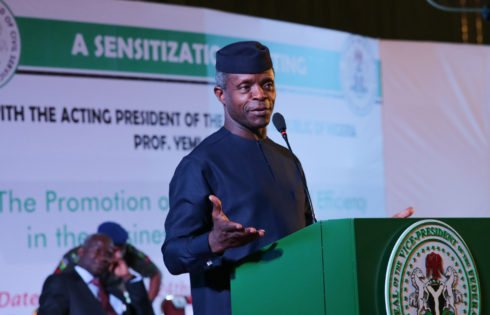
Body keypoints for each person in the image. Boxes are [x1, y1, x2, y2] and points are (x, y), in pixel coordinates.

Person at [161, 41, 413, 315]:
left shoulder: (288, 159)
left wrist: (371, 238)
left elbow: (309, 242)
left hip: (294, 304)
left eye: (267, 84)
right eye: (245, 87)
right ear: (221, 94)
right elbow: (173, 255)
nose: (260, 95)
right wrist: (213, 242)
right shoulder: (200, 164)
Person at [39, 234, 155, 315]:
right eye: (97, 251)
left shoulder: (114, 294)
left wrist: (128, 278)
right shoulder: (62, 283)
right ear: (81, 252)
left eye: (108, 254)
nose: (103, 258)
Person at [55, 221, 162, 302]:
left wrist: (146, 304)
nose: (118, 256)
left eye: (122, 250)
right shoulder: (81, 255)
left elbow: (154, 274)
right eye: (113, 251)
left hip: (116, 302)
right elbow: (56, 281)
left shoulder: (128, 251)